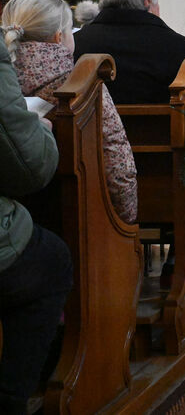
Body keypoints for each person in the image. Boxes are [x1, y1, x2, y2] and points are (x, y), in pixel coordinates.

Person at [4, 0, 138, 224]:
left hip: (10, 218)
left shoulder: (5, 85)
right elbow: (116, 159)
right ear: (59, 37)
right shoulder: (82, 87)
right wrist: (126, 222)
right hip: (77, 219)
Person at [0, 37, 71, 415]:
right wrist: (40, 131)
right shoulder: (69, 77)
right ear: (59, 36)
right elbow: (30, 167)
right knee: (52, 259)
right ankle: (11, 400)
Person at [73, 0, 185, 105]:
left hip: (91, 120)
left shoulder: (76, 44)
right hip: (161, 120)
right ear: (147, 2)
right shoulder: (182, 49)